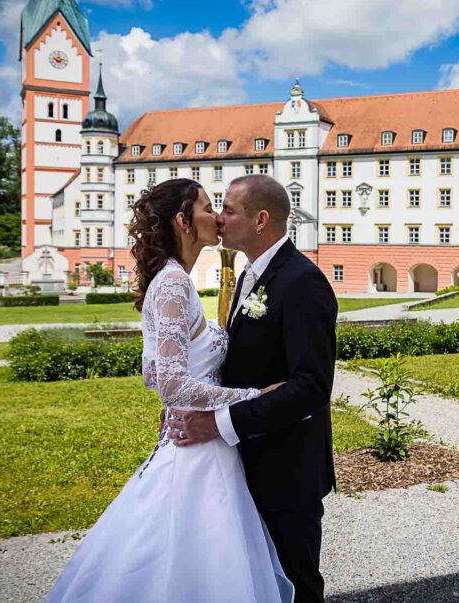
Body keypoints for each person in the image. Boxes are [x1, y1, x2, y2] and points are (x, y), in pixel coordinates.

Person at [46, 178, 293, 602]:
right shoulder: (175, 283)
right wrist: (255, 395)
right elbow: (170, 381)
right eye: (207, 206)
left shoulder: (171, 280)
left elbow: (151, 373)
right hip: (198, 450)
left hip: (196, 438)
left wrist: (182, 398)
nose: (216, 216)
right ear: (183, 220)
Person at [168, 174, 338, 603]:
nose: (220, 220)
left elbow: (310, 388)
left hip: (286, 466)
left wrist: (219, 423)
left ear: (261, 219)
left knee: (295, 583)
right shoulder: (248, 275)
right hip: (244, 461)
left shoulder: (302, 282)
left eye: (228, 210)